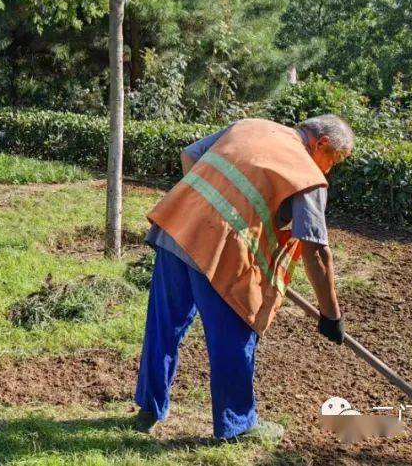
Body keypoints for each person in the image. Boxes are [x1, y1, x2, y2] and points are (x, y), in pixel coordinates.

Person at [133, 114, 355, 440]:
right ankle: (237, 426)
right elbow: (316, 250)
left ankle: (148, 410)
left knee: (163, 327)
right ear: (320, 143)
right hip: (220, 254)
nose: (329, 169)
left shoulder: (251, 126)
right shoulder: (306, 174)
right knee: (235, 338)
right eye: (334, 159)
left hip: (178, 227)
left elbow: (190, 155)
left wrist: (206, 211)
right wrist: (331, 314)